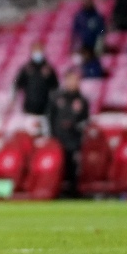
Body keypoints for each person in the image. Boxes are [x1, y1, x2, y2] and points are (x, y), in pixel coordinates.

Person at [46, 68, 88, 197]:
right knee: (59, 166)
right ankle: (57, 190)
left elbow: (85, 121)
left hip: (74, 141)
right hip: (59, 139)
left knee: (73, 167)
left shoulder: (82, 101)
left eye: (76, 80)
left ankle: (72, 191)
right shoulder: (56, 98)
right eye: (71, 80)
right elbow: (50, 118)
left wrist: (76, 129)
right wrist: (52, 136)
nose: (73, 83)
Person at [14, 43, 58, 116]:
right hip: (29, 107)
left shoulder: (49, 69)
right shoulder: (26, 68)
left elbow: (55, 87)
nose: (37, 53)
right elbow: (17, 83)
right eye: (35, 50)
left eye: (39, 50)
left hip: (45, 109)